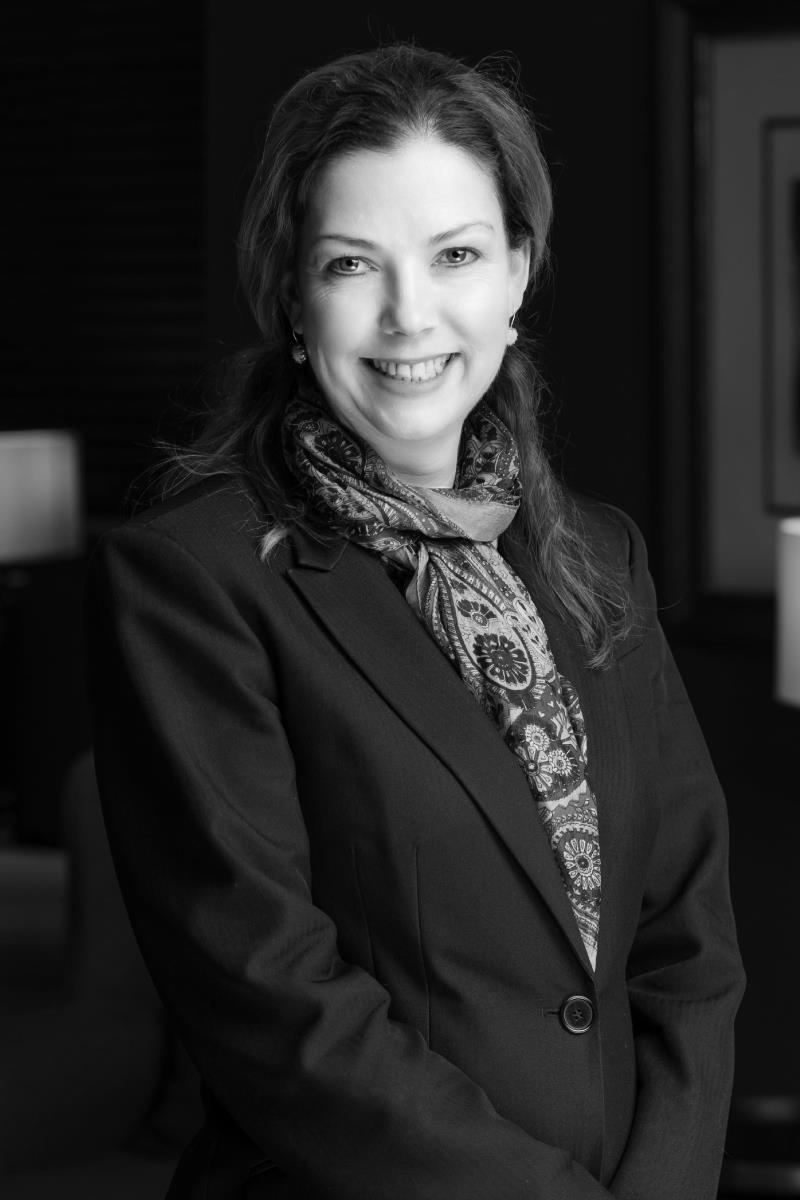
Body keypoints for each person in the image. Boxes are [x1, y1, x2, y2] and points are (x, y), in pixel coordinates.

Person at [86, 43, 745, 1200]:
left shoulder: (600, 556)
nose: (407, 314)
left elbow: (685, 941)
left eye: (454, 255)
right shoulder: (193, 580)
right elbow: (272, 1001)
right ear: (290, 296)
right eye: (351, 264)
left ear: (516, 275)